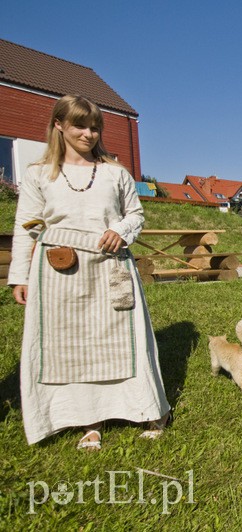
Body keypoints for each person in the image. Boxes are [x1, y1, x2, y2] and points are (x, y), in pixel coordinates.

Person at [8, 94, 171, 450]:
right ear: (59, 126)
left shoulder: (115, 172)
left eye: (95, 127)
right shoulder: (39, 174)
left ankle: (145, 409)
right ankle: (89, 422)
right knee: (71, 345)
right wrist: (19, 275)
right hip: (59, 269)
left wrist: (122, 231)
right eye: (80, 126)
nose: (88, 134)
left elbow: (136, 215)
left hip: (109, 263)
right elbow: (26, 226)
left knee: (122, 340)